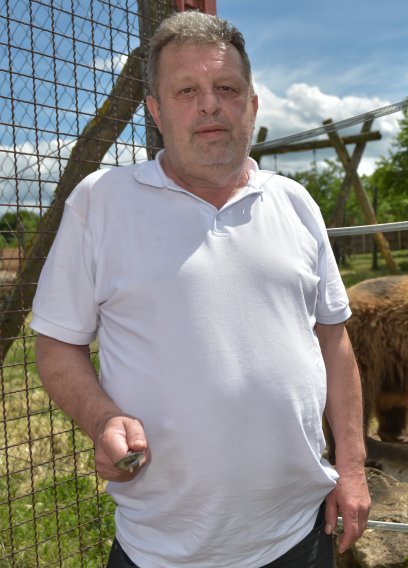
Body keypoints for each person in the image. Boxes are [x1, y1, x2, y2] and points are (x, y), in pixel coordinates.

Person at [31, 10, 370, 567]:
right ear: (157, 112)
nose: (210, 104)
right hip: (162, 547)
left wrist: (353, 471)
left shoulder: (296, 203)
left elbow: (334, 343)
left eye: (226, 88)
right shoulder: (102, 202)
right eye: (186, 90)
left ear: (252, 105)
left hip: (299, 534)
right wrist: (101, 418)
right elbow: (55, 345)